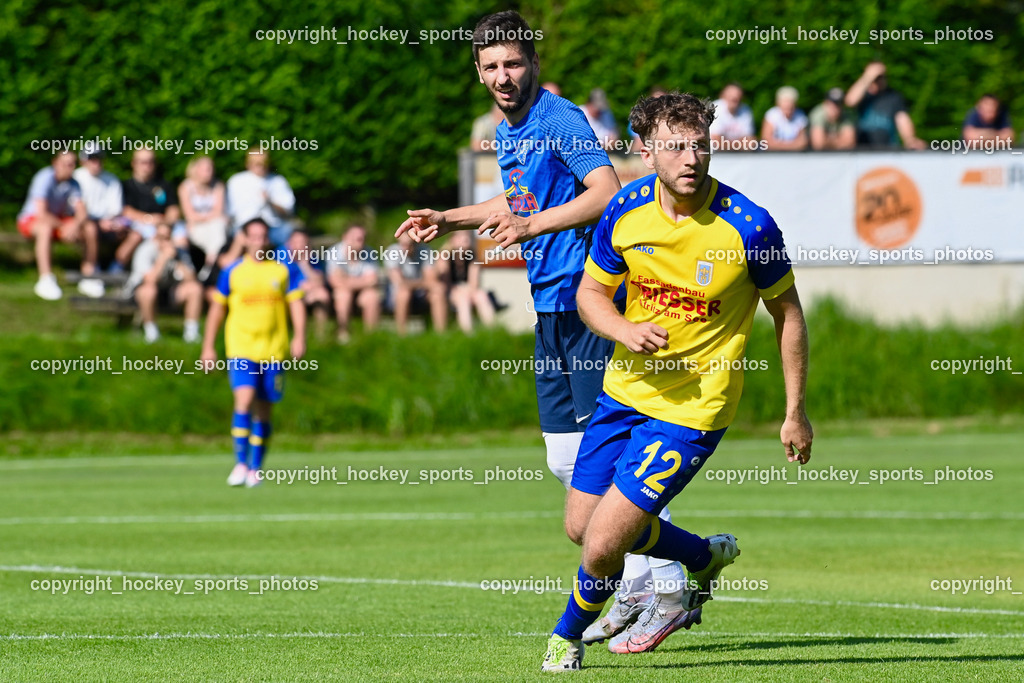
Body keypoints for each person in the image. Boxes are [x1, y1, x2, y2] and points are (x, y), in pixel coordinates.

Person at [397, 10, 691, 649]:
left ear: (534, 63)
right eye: (491, 66)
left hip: (589, 305)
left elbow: (606, 191)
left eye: (513, 62)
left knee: (617, 457)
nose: (504, 75)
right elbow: (522, 199)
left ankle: (667, 585)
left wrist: (532, 227)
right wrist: (446, 217)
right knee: (565, 458)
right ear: (478, 73)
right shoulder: (510, 131)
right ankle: (640, 579)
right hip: (550, 311)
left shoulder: (557, 118)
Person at [540, 91, 813, 672]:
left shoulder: (750, 227)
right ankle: (701, 556)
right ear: (646, 152)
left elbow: (788, 314)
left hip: (693, 410)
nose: (690, 159)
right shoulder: (626, 210)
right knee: (581, 527)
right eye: (674, 147)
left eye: (700, 145)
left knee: (604, 544)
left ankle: (565, 639)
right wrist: (623, 329)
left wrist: (795, 412)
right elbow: (590, 295)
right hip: (624, 393)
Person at [201, 218, 306, 488]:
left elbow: (296, 303)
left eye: (263, 237)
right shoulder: (232, 271)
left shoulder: (283, 269)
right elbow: (217, 309)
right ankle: (240, 463)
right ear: (245, 239)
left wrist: (299, 336)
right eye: (254, 237)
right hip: (241, 347)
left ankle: (256, 468)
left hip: (273, 350)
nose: (259, 242)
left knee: (264, 410)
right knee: (244, 400)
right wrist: (208, 346)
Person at [17, 150, 102, 300]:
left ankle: (89, 274)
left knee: (90, 227)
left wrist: (74, 226)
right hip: (30, 220)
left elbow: (82, 212)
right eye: (65, 164)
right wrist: (65, 226)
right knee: (45, 228)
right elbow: (41, 213)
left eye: (72, 164)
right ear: (55, 163)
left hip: (57, 222)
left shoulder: (74, 183)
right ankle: (46, 278)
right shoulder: (44, 178)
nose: (69, 168)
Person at [128, 222, 203, 343]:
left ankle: (191, 333)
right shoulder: (145, 249)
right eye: (160, 237)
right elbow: (150, 280)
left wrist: (177, 260)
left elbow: (191, 278)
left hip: (167, 292)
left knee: (195, 289)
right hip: (141, 294)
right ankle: (151, 333)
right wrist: (163, 258)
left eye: (167, 238)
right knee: (149, 290)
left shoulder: (179, 252)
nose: (163, 241)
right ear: (154, 236)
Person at [119, 149, 188, 268]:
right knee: (136, 236)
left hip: (163, 224)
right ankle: (117, 267)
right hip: (138, 224)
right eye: (143, 162)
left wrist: (165, 223)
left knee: (180, 238)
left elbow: (173, 209)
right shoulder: (127, 186)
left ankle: (182, 270)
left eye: (150, 162)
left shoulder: (164, 185)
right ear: (134, 163)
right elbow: (126, 210)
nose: (147, 166)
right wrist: (149, 219)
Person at [846, 61, 926, 149]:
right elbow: (850, 102)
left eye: (881, 76)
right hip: (861, 150)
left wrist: (910, 139)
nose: (878, 80)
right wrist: (868, 76)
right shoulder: (862, 96)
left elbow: (902, 119)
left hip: (887, 150)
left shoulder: (893, 97)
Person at [72, 142, 127, 271]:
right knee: (90, 229)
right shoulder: (76, 178)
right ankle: (90, 269)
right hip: (82, 221)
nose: (96, 162)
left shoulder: (112, 180)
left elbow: (116, 209)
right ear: (83, 161)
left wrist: (108, 221)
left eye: (99, 158)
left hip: (107, 223)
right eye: (92, 158)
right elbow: (74, 206)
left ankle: (117, 268)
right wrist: (97, 221)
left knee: (132, 232)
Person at [226, 150, 296, 247]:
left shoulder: (278, 181)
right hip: (244, 227)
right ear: (248, 164)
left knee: (292, 235)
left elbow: (288, 211)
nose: (261, 166)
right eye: (257, 163)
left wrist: (270, 202)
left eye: (264, 163)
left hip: (273, 228)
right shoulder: (236, 181)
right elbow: (229, 212)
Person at [326, 225, 383, 343]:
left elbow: (373, 281)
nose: (361, 241)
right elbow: (335, 282)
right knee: (343, 295)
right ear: (345, 237)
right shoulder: (334, 252)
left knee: (372, 297)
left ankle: (371, 337)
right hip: (342, 291)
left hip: (362, 292)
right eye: (357, 238)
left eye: (363, 238)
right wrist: (362, 281)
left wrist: (346, 280)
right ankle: (343, 334)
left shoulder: (370, 252)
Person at [383, 231, 446, 335]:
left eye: (409, 244)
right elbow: (399, 283)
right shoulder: (392, 252)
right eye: (403, 244)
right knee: (404, 293)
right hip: (396, 296)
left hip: (420, 294)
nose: (405, 248)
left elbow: (432, 280)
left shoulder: (424, 251)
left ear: (416, 243)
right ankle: (401, 334)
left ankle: (441, 334)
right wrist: (422, 283)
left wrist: (412, 284)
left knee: (438, 292)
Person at [179, 155, 228, 282]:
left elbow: (219, 211)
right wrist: (208, 216)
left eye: (211, 169)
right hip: (196, 227)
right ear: (196, 170)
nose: (210, 172)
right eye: (206, 169)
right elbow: (189, 214)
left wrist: (202, 217)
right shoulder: (185, 187)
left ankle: (207, 270)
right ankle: (209, 268)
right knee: (217, 237)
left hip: (212, 225)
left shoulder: (218, 186)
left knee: (218, 227)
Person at [436, 230, 495, 333]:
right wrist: (462, 290)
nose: (466, 240)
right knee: (463, 298)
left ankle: (492, 330)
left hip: (468, 290)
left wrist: (467, 290)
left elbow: (474, 284)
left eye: (467, 238)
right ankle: (468, 332)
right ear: (453, 239)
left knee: (481, 295)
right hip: (451, 291)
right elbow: (446, 284)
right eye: (462, 237)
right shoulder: (444, 256)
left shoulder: (472, 256)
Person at [282, 229, 331, 341]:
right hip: (286, 295)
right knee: (296, 298)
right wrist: (299, 287)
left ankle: (321, 335)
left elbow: (320, 282)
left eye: (303, 242)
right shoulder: (281, 256)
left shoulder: (312, 258)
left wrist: (304, 264)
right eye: (296, 242)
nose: (300, 246)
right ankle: (296, 336)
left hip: (305, 294)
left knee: (322, 294)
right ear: (289, 243)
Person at [708, 82, 757, 151]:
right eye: (731, 95)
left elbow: (751, 142)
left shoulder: (746, 111)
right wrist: (740, 143)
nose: (734, 97)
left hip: (739, 155)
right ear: (723, 95)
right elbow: (716, 140)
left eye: (737, 96)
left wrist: (725, 142)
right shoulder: (715, 108)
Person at [761, 86, 809, 151]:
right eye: (785, 108)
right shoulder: (771, 115)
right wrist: (792, 146)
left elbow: (803, 142)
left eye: (790, 108)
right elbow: (766, 142)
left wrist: (780, 145)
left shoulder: (800, 115)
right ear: (778, 104)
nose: (788, 111)